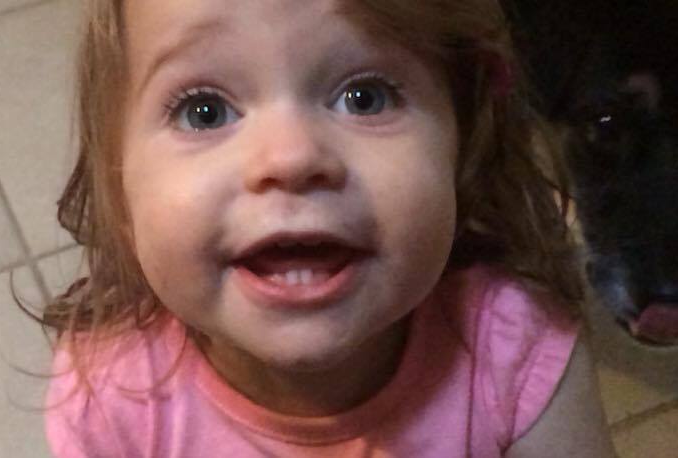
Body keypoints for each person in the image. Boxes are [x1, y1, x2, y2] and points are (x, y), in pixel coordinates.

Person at [35, 0, 617, 456]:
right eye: (204, 111)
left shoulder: (516, 355)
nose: (291, 157)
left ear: (464, 146)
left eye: (365, 98)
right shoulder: (109, 399)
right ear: (118, 182)